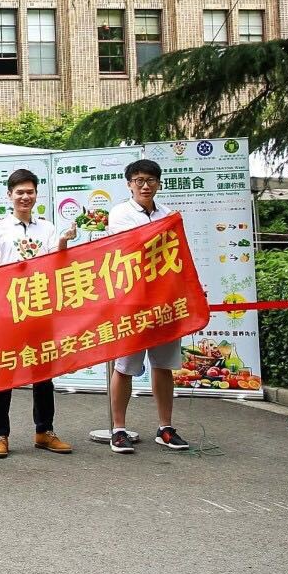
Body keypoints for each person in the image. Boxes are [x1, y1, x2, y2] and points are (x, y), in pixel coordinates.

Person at [0, 169, 77, 459]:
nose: (25, 197)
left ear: (36, 195)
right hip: (7, 311)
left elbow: (58, 262)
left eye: (30, 192)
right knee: (4, 373)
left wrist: (64, 240)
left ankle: (44, 431)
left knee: (43, 373)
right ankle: (0, 435)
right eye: (19, 192)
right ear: (9, 195)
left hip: (40, 307)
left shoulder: (47, 228)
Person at [106, 159, 190, 455]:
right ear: (129, 184)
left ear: (158, 183)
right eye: (139, 180)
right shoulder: (120, 213)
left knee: (164, 366)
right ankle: (118, 429)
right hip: (133, 301)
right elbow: (134, 247)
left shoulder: (168, 215)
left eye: (151, 180)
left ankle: (165, 428)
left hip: (165, 301)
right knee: (125, 367)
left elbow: (177, 254)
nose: (145, 185)